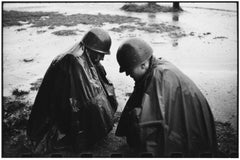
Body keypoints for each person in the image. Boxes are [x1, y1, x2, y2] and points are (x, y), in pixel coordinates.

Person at [115, 38, 217, 157]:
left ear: (143, 65)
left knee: (139, 120)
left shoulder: (160, 78)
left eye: (129, 69)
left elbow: (151, 123)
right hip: (192, 123)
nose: (127, 74)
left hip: (194, 129)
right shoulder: (155, 67)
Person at [27, 28, 118, 154]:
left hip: (62, 105)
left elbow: (101, 84)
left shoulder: (83, 56)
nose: (102, 58)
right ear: (92, 50)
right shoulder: (73, 61)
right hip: (55, 113)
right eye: (100, 54)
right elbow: (85, 99)